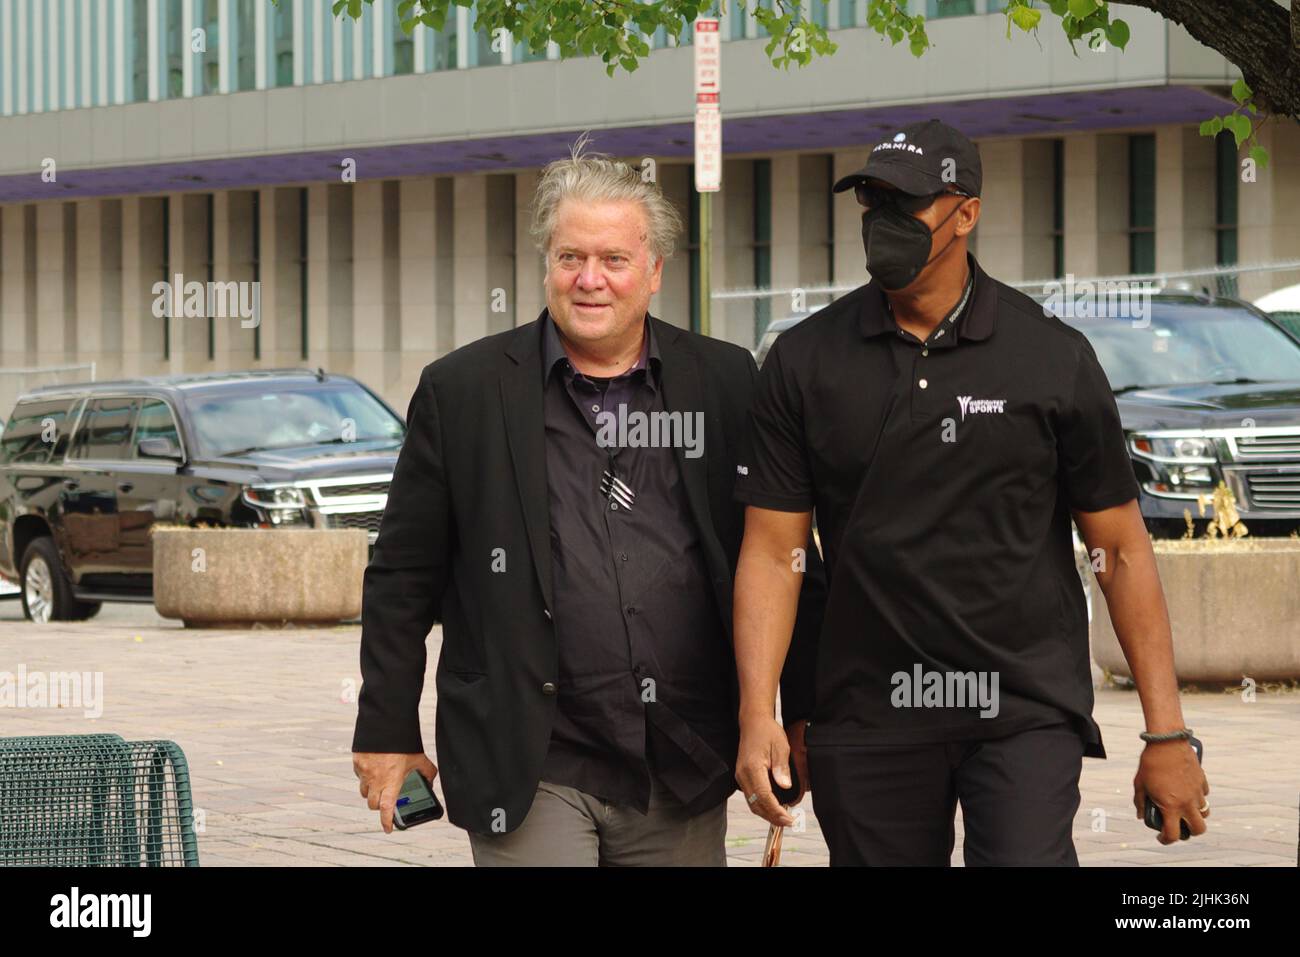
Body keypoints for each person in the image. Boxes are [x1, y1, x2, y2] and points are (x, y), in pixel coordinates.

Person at [732, 118, 1209, 866]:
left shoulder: (1051, 356)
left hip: (1021, 707)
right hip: (868, 712)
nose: (886, 224)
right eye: (873, 203)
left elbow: (1118, 546)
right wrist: (760, 710)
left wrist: (1167, 731)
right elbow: (772, 551)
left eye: (908, 203)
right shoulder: (803, 360)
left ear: (967, 212)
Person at [352, 136, 824, 866]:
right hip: (532, 755)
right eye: (570, 257)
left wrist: (798, 712)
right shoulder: (465, 391)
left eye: (613, 259)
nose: (589, 279)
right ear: (547, 263)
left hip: (681, 758)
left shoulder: (725, 382)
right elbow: (401, 571)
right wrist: (386, 727)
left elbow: (785, 550)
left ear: (655, 270)